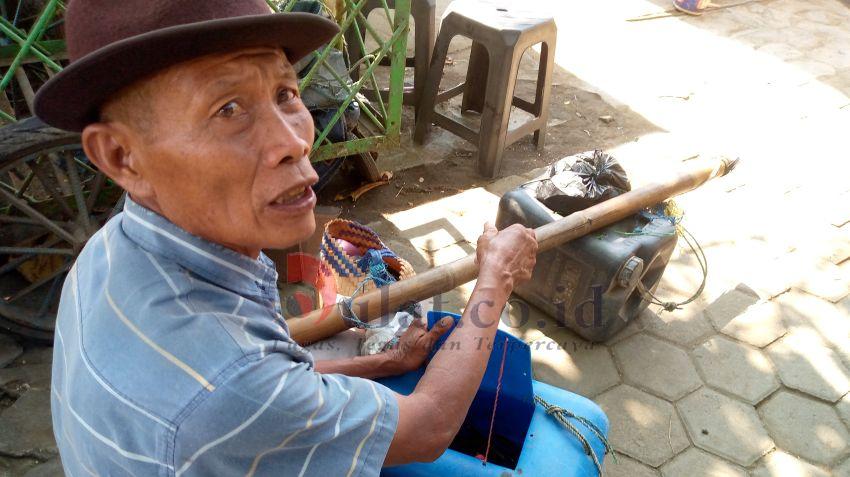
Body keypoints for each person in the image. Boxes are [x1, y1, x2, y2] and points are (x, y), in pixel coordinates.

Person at [33, 1, 538, 475]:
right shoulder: (230, 388)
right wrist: (494, 279)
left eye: (285, 94)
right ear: (122, 157)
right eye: (228, 109)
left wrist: (385, 361)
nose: (294, 141)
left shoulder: (106, 251)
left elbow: (267, 371)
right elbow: (427, 428)